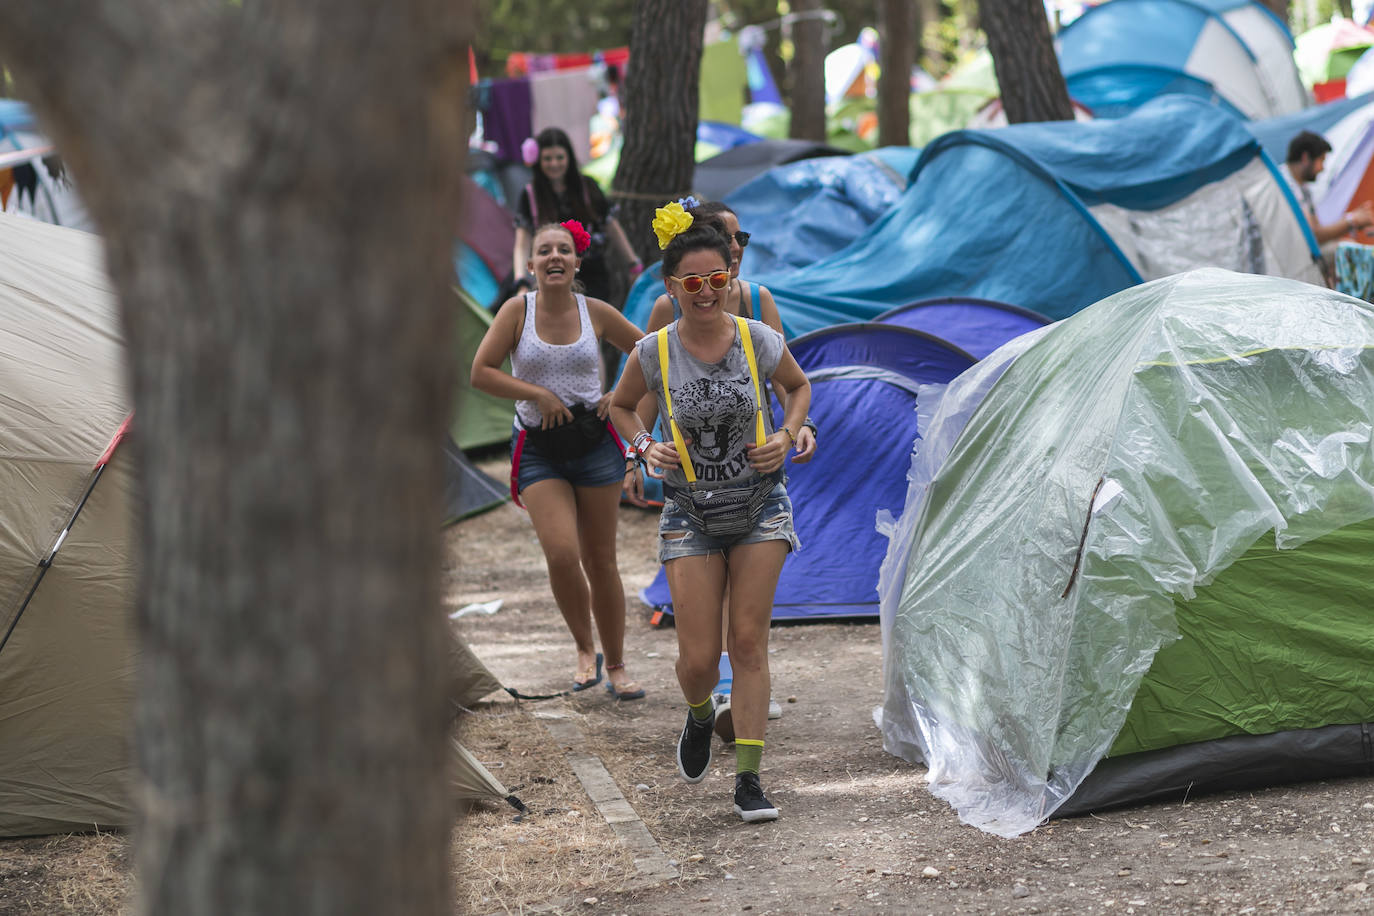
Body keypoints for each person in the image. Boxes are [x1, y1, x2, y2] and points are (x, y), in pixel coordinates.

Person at [609, 202, 812, 823]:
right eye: (691, 283)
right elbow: (620, 408)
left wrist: (790, 432)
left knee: (747, 643)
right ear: (673, 287)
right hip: (689, 512)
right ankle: (700, 713)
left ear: (732, 277)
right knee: (698, 661)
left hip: (760, 506)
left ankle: (749, 779)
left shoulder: (758, 339)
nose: (705, 292)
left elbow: (798, 387)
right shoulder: (654, 350)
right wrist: (644, 448)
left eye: (716, 279)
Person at [473, 220, 647, 701]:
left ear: (576, 262)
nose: (554, 257)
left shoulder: (596, 311)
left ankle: (616, 664)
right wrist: (536, 395)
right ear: (530, 265)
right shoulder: (516, 311)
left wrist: (620, 394)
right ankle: (583, 648)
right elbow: (481, 372)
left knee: (602, 561)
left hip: (595, 444)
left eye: (563, 250)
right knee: (562, 553)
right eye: (544, 250)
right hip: (539, 448)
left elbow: (650, 353)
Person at [512, 127, 643, 303]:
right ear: (538, 161)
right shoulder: (530, 195)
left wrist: (632, 264)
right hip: (551, 275)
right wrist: (520, 281)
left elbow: (612, 226)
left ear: (569, 158)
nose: (554, 164)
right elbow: (522, 242)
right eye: (547, 159)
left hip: (593, 275)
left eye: (559, 157)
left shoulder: (588, 188)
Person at [1284, 131, 1374, 284]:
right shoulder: (1286, 187)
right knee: (1350, 252)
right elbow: (1314, 237)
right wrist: (1352, 221)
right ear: (1306, 158)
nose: (1323, 168)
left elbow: (1317, 230)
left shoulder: (1303, 188)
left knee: (1349, 248)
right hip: (1292, 261)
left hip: (1303, 257)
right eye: (1321, 160)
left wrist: (1353, 222)